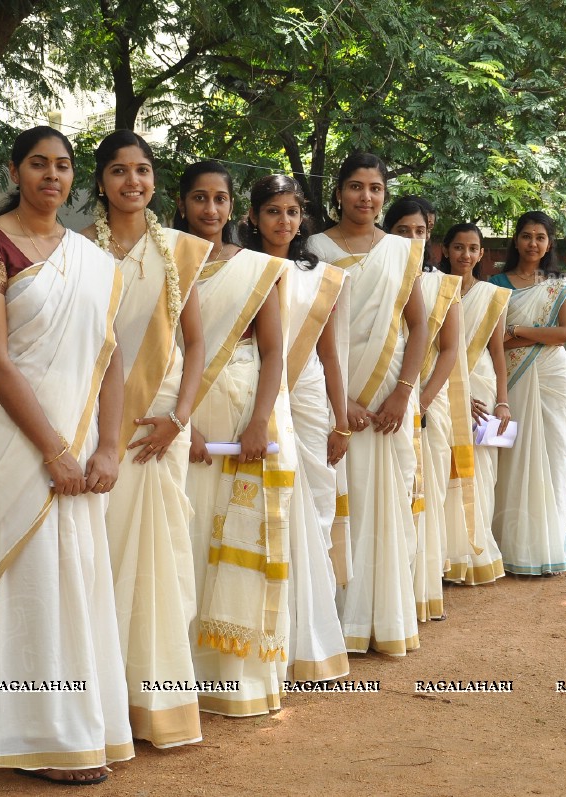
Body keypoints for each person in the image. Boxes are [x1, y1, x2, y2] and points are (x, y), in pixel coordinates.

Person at [0, 126, 132, 784]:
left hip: (81, 443)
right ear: (15, 169)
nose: (51, 176)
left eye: (62, 166)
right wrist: (53, 449)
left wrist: (107, 446)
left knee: (77, 575)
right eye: (38, 164)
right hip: (17, 439)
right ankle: (32, 733)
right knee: (31, 575)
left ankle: (85, 725)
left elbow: (108, 357)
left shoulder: (90, 257)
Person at [80, 130, 212, 748]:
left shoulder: (181, 251)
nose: (133, 182)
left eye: (143, 171)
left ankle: (155, 702)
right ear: (100, 182)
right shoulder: (78, 251)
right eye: (118, 172)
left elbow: (197, 347)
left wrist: (179, 418)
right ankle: (100, 699)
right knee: (100, 554)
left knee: (157, 558)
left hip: (158, 423)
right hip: (97, 422)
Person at [177, 161, 293, 716]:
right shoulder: (165, 261)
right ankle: (178, 673)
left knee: (237, 529)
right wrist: (178, 419)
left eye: (220, 199)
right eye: (199, 199)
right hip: (178, 409)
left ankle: (233, 679)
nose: (210, 210)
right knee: (186, 532)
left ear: (232, 208)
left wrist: (258, 421)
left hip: (243, 407)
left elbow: (273, 351)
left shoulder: (256, 269)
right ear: (181, 204)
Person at [308, 153, 428, 656]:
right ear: (338, 192)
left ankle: (383, 617)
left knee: (384, 499)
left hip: (389, 394)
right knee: (340, 497)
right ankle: (340, 620)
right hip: (337, 391)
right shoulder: (314, 246)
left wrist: (402, 391)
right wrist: (343, 402)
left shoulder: (402, 250)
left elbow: (419, 324)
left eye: (376, 188)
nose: (366, 198)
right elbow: (311, 327)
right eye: (355, 187)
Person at [241, 173, 350, 682]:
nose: (283, 221)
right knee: (265, 504)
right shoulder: (241, 268)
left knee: (317, 502)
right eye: (272, 212)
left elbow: (329, 352)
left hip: (304, 395)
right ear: (253, 218)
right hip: (251, 397)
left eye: (291, 211)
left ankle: (312, 624)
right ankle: (266, 623)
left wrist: (341, 419)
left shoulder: (321, 275)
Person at [488, 211, 566, 575]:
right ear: (516, 240)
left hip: (552, 380)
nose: (533, 244)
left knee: (552, 456)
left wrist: (518, 330)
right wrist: (517, 334)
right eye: (526, 236)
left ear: (549, 243)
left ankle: (547, 546)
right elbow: (493, 339)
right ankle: (510, 547)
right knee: (509, 459)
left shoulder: (560, 285)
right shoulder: (496, 283)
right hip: (510, 379)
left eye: (540, 237)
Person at [384, 197, 462, 622]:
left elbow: (448, 350)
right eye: (403, 231)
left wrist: (421, 400)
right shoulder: (376, 271)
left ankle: (419, 591)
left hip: (423, 400)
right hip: (379, 400)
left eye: (420, 232)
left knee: (423, 496)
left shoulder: (440, 284)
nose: (412, 239)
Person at [444, 223, 510, 584]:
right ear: (446, 250)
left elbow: (498, 353)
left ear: (482, 254)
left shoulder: (492, 295)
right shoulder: (434, 289)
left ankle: (477, 554)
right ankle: (447, 555)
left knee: (482, 473)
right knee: (445, 468)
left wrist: (503, 402)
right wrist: (452, 391)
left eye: (472, 249)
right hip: (445, 388)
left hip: (482, 388)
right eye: (458, 247)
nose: (465, 255)